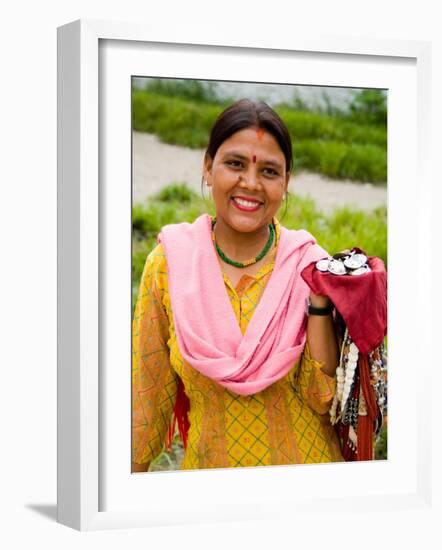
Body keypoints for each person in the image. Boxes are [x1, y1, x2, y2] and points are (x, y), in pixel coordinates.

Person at [132, 98, 344, 472]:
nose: (250, 183)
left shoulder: (310, 265)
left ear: (286, 182)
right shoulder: (168, 266)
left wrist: (320, 301)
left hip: (308, 485)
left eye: (269, 171)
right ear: (208, 167)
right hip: (209, 490)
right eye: (235, 164)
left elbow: (323, 397)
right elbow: (146, 398)